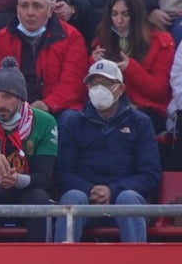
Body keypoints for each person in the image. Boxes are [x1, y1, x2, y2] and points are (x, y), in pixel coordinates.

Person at [54, 58, 161, 244]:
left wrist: (112, 190)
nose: (99, 89)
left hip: (123, 196)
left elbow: (150, 175)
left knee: (129, 199)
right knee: (72, 197)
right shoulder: (73, 122)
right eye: (94, 84)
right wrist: (89, 190)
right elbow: (63, 172)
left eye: (106, 83)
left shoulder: (140, 123)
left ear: (120, 89)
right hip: (85, 197)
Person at [0, 57, 58, 242]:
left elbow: (45, 178)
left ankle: (40, 261)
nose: (0, 104)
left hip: (26, 193)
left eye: (7, 97)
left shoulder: (45, 122)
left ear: (21, 98)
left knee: (39, 198)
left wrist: (18, 180)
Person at [0, 0, 90, 115]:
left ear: (49, 11)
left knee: (71, 117)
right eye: (24, 6)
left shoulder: (71, 37)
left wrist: (47, 104)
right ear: (17, 10)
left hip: (58, 108)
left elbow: (73, 83)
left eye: (37, 6)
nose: (30, 12)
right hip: (13, 110)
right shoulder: (1, 38)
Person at [93, 0, 173, 129]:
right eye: (114, 14)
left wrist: (130, 68)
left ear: (136, 14)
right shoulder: (102, 39)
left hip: (148, 109)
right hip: (109, 106)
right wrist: (93, 64)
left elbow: (160, 91)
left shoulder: (162, 41)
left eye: (125, 14)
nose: (119, 21)